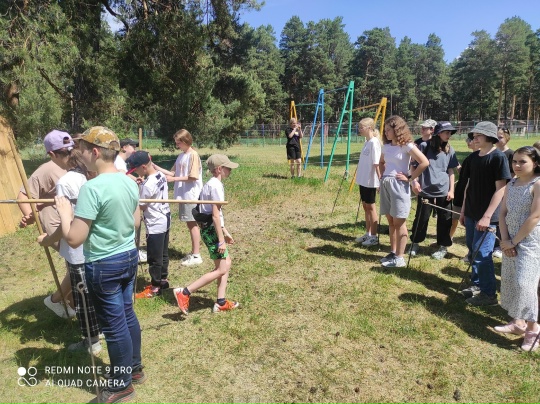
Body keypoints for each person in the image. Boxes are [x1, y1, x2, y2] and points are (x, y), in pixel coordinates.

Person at [56, 126, 144, 402]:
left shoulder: (91, 188)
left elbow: (74, 239)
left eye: (81, 149)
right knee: (127, 315)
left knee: (115, 326)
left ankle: (121, 385)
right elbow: (136, 222)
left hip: (104, 265)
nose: (78, 154)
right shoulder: (129, 182)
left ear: (94, 152)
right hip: (128, 257)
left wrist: (64, 213)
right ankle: (134, 369)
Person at [37, 149, 102, 355]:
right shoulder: (93, 178)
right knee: (93, 292)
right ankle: (99, 331)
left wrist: (48, 239)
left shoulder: (66, 182)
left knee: (83, 297)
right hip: (96, 246)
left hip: (80, 250)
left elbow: (69, 220)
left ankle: (92, 341)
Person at [18, 130, 76, 318]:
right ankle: (57, 300)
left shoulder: (74, 165)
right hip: (55, 222)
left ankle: (71, 302)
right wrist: (30, 215)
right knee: (77, 264)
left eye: (71, 150)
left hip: (73, 220)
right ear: (52, 154)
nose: (69, 155)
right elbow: (23, 196)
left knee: (76, 263)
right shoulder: (47, 170)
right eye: (64, 152)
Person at [174, 154, 239, 314]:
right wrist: (221, 240)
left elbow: (213, 214)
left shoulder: (211, 184)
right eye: (228, 167)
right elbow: (215, 216)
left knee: (226, 263)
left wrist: (225, 231)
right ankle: (185, 292)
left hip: (211, 228)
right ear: (219, 169)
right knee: (221, 269)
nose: (230, 170)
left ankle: (221, 301)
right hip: (211, 230)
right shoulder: (215, 186)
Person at [459, 121, 511, 306]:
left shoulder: (498, 157)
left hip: (489, 217)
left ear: (489, 137)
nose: (474, 138)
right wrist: (463, 211)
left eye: (478, 135)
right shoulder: (473, 158)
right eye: (473, 136)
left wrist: (487, 216)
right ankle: (477, 285)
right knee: (473, 250)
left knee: (482, 253)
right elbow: (468, 186)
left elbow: (501, 189)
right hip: (471, 213)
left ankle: (489, 295)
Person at [495, 146, 540, 351]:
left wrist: (514, 242)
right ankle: (518, 323)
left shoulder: (537, 184)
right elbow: (503, 212)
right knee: (512, 280)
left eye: (523, 161)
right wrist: (505, 239)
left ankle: (533, 330)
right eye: (514, 161)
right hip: (509, 239)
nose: (517, 165)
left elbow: (535, 216)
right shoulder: (511, 183)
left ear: (535, 163)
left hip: (530, 242)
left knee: (525, 284)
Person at [379, 116, 429, 268]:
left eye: (389, 130)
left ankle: (400, 258)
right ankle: (393, 252)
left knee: (399, 222)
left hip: (399, 186)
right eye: (385, 130)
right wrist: (382, 177)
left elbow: (424, 162)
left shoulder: (407, 145)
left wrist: (410, 178)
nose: (386, 133)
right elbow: (381, 162)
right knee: (391, 221)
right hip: (386, 184)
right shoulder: (386, 146)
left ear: (397, 130)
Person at [409, 122, 459, 260]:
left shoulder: (450, 149)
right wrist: (414, 182)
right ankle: (415, 243)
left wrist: (451, 190)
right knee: (421, 218)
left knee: (445, 219)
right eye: (446, 132)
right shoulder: (424, 146)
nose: (449, 135)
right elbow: (413, 166)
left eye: (450, 133)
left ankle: (443, 246)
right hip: (425, 190)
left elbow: (451, 171)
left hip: (444, 191)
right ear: (438, 133)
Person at [154, 129, 203, 267]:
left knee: (192, 224)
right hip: (183, 195)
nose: (177, 145)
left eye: (178, 143)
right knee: (189, 223)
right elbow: (172, 172)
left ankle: (196, 255)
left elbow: (193, 176)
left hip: (191, 195)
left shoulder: (193, 155)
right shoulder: (181, 156)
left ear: (186, 141)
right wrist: (155, 167)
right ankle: (194, 252)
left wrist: (174, 179)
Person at [126, 151, 171, 298]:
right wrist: (142, 184)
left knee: (154, 257)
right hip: (165, 217)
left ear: (143, 167)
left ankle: (155, 287)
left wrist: (138, 190)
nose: (136, 173)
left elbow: (142, 206)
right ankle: (163, 279)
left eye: (136, 170)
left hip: (155, 222)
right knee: (163, 253)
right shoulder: (160, 175)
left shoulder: (147, 185)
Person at [354, 117, 381, 247]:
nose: (359, 130)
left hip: (370, 181)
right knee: (365, 206)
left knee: (371, 207)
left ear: (369, 128)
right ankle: (368, 233)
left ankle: (374, 236)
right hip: (363, 180)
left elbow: (377, 164)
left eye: (361, 127)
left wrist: (380, 181)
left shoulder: (374, 142)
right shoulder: (367, 142)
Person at [492, 127, 514, 259]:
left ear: (507, 138)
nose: (497, 140)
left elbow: (512, 175)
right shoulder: (493, 153)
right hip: (492, 190)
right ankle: (492, 242)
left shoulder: (511, 154)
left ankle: (500, 245)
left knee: (502, 217)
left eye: (500, 137)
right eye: (496, 137)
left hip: (504, 190)